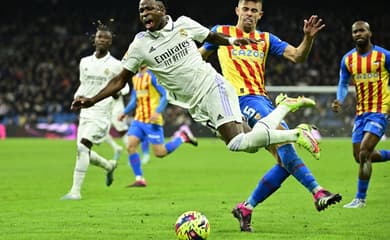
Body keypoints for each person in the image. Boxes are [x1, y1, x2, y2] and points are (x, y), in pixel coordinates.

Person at [71, 0, 320, 190]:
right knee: (247, 144)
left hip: (213, 87)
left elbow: (210, 37)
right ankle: (285, 110)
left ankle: (295, 131)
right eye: (140, 11)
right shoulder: (140, 46)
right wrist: (91, 99)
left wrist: (232, 43)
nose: (144, 13)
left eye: (149, 8)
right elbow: (120, 80)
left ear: (162, 10)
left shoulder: (183, 24)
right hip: (196, 105)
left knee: (236, 143)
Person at [199, 0, 341, 232]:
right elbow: (199, 58)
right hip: (240, 99)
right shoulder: (221, 33)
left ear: (260, 15)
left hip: (262, 99)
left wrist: (309, 38)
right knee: (285, 141)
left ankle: (246, 207)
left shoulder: (266, 39)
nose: (249, 14)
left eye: (254, 11)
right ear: (237, 11)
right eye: (245, 9)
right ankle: (317, 191)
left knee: (285, 161)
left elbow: (297, 56)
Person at [332, 20, 390, 208]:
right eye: (355, 31)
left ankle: (360, 198)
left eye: (362, 30)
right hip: (361, 112)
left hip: (381, 110)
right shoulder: (347, 59)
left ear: (370, 33)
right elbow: (342, 83)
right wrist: (340, 99)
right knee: (360, 157)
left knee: (365, 151)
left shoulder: (384, 56)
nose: (359, 34)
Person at [61, 21, 120, 200]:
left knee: (82, 146)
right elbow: (84, 85)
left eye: (106, 38)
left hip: (102, 113)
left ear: (110, 42)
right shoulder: (84, 62)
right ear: (94, 40)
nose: (102, 40)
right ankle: (109, 166)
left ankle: (75, 192)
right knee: (83, 151)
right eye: (99, 37)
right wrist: (77, 97)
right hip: (85, 113)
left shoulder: (117, 65)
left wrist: (115, 94)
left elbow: (120, 89)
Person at [118, 65, 198, 187]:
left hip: (152, 120)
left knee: (160, 153)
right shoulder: (135, 78)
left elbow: (165, 95)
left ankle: (182, 137)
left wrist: (158, 111)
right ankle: (139, 179)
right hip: (138, 119)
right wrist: (124, 112)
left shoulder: (153, 76)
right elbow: (134, 99)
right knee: (130, 146)